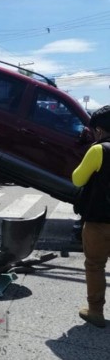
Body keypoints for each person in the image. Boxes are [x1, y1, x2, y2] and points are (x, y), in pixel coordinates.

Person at [72, 105, 110, 328]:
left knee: (95, 265)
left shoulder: (99, 150)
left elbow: (78, 180)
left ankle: (95, 311)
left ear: (98, 130)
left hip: (99, 222)